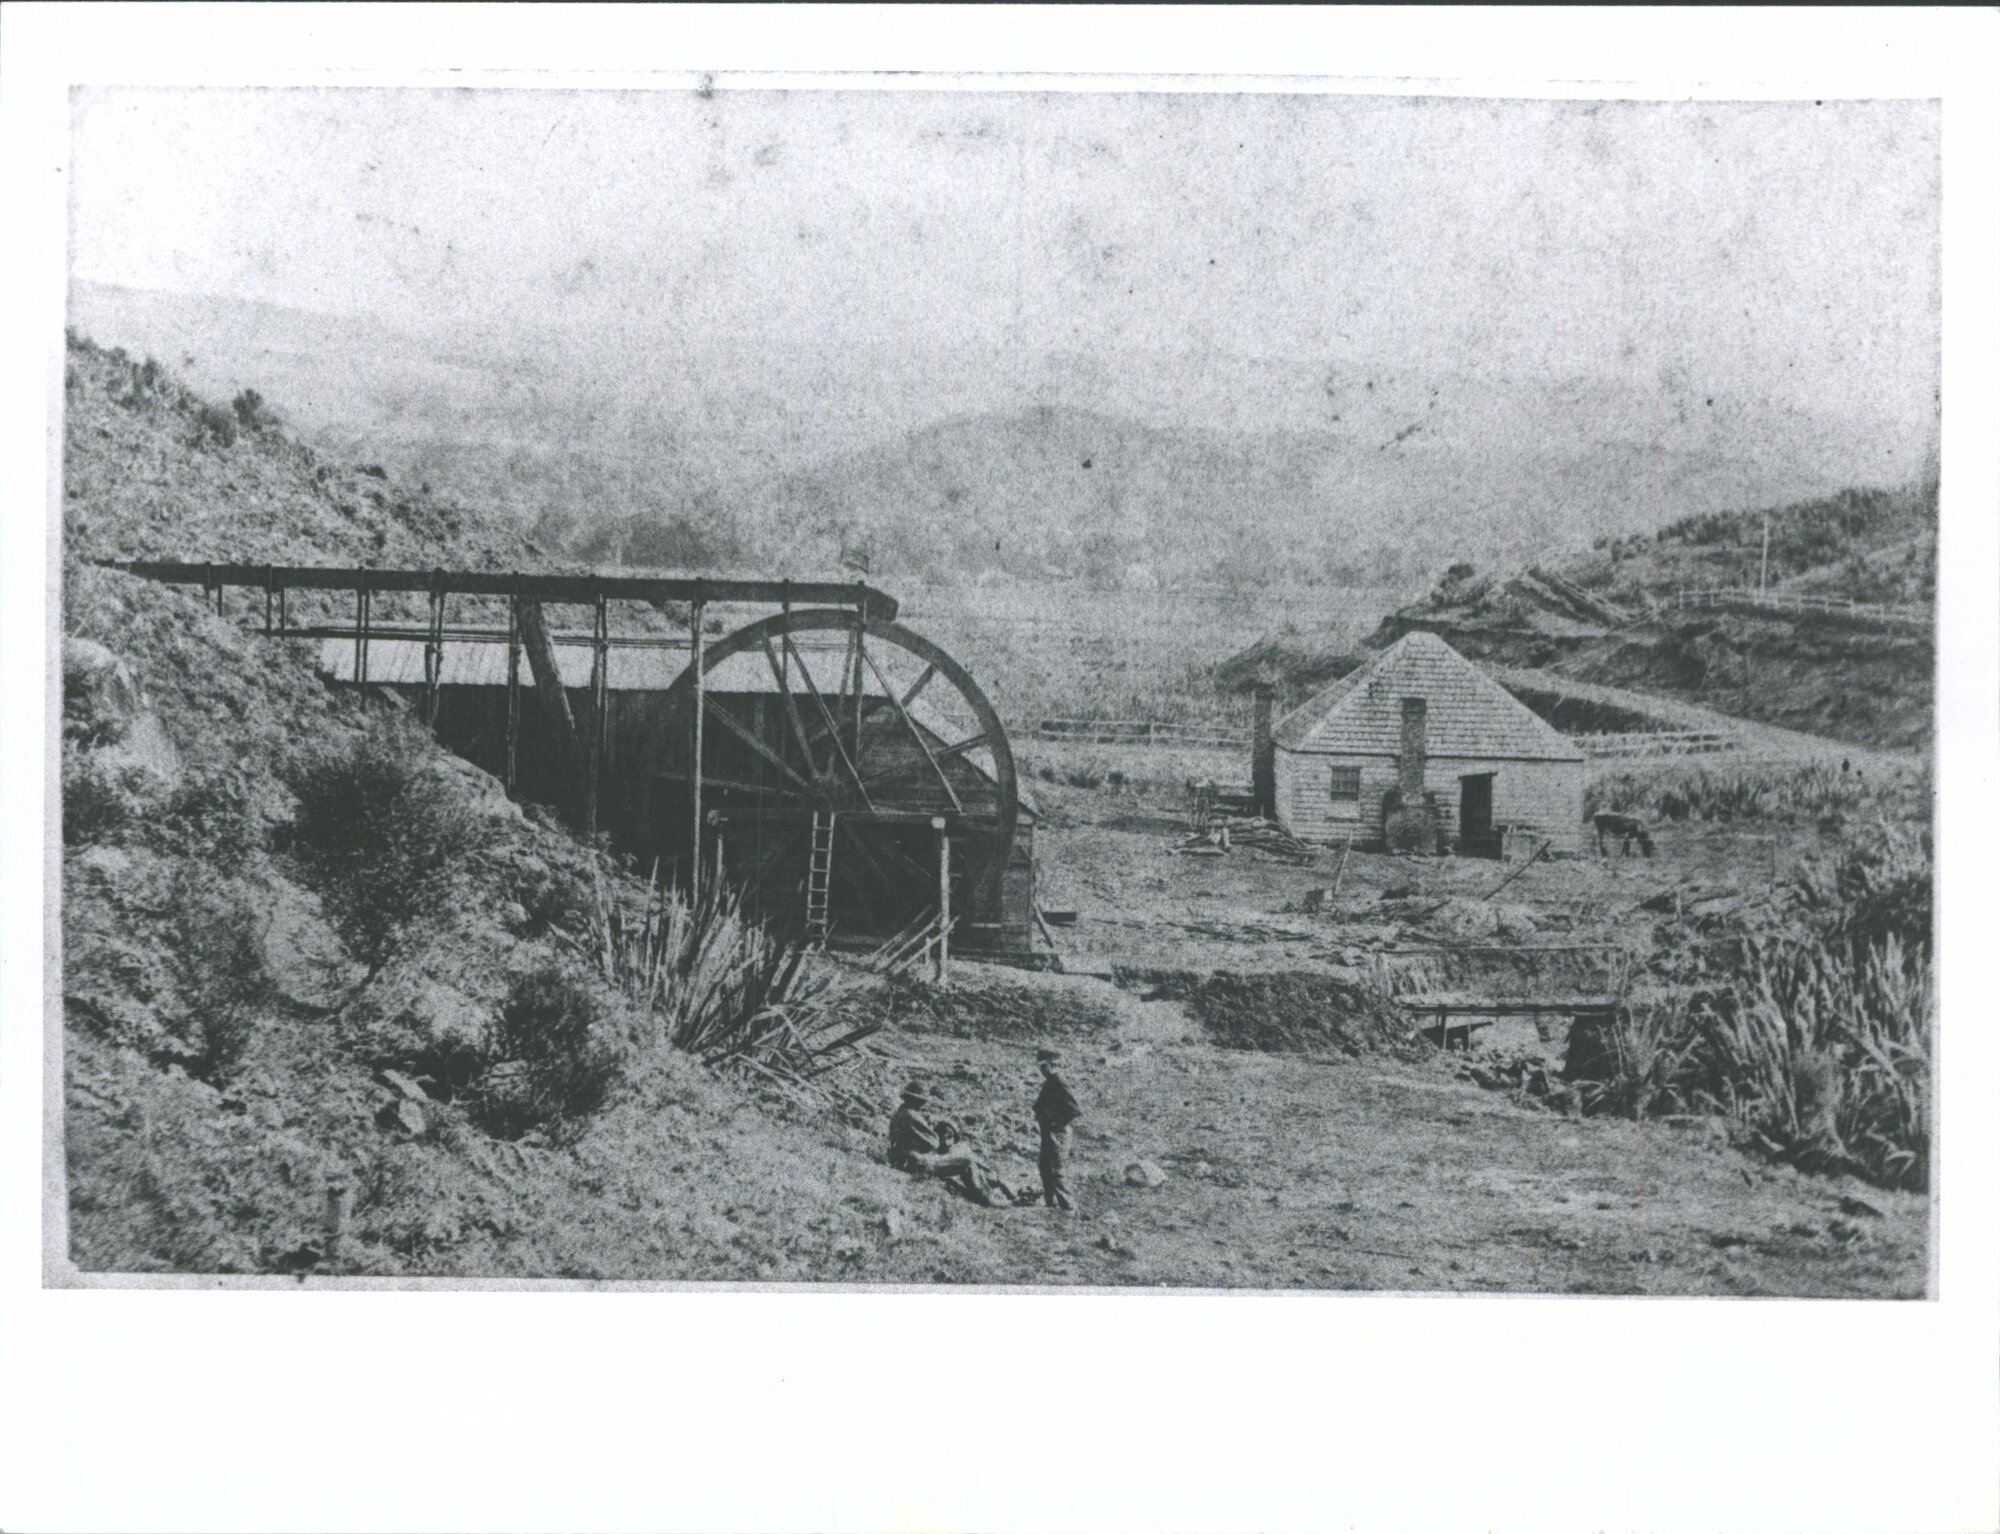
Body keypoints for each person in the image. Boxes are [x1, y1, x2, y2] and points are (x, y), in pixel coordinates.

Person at [886, 1083, 1008, 1207]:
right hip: (917, 1163)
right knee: (966, 1161)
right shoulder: (912, 1115)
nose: (924, 1103)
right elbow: (933, 1142)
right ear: (917, 1099)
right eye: (923, 1100)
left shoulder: (902, 1112)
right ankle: (986, 1198)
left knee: (962, 1153)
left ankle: (991, 1187)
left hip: (905, 1159)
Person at [1032, 1047, 1082, 1211]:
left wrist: (1055, 1124)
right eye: (1041, 1066)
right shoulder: (1051, 1081)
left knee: (1055, 1170)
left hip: (1057, 1133)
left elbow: (1074, 1109)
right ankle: (1050, 1204)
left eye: (1044, 1066)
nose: (1041, 1070)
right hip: (1049, 1132)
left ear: (1051, 1065)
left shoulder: (1059, 1081)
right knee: (1045, 1167)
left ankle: (1068, 1207)